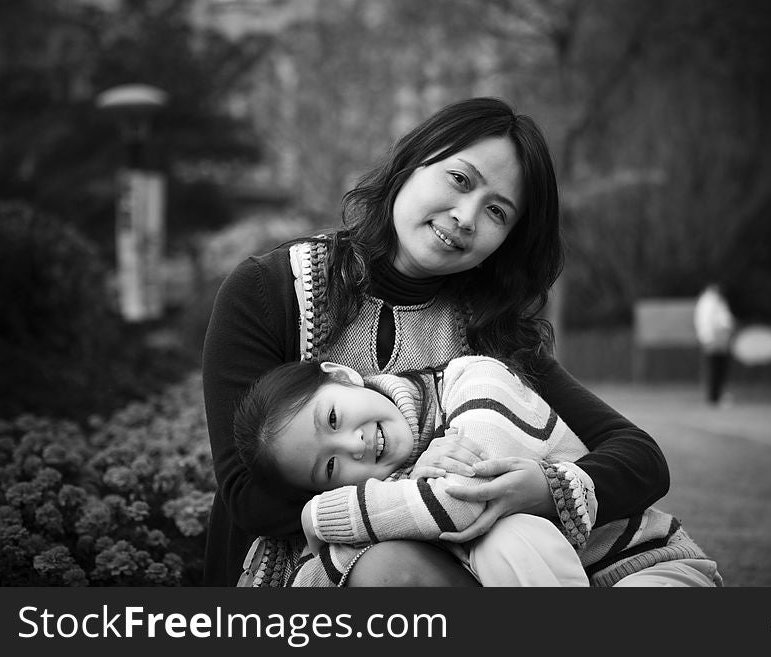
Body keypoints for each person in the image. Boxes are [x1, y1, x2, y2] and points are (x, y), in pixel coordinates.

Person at [202, 97, 671, 587]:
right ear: (411, 162)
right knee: (390, 571)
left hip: (465, 569)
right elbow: (247, 494)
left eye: (497, 211)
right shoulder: (272, 289)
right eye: (460, 180)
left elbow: (642, 459)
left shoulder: (492, 331)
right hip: (301, 570)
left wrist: (545, 489)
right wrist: (415, 489)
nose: (466, 217)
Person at [232, 356, 720, 588]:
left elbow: (464, 499)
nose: (353, 444)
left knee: (507, 532)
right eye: (331, 467)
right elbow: (326, 575)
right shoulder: (394, 495)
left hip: (645, 568)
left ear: (342, 377)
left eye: (333, 418)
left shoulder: (473, 380)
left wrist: (321, 518)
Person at [694, 283, 736, 405]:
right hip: (714, 338)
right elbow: (709, 321)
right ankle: (713, 397)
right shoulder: (709, 301)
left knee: (719, 368)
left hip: (719, 338)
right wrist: (711, 337)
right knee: (714, 368)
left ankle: (716, 396)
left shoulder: (716, 300)